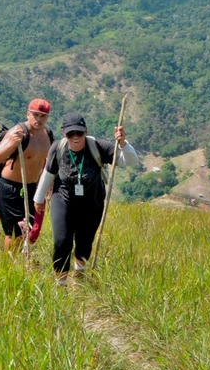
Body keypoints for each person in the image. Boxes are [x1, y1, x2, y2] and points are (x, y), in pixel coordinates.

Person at [32, 112, 140, 283]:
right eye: (70, 134)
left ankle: (79, 274)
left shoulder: (98, 146)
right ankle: (61, 284)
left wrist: (122, 143)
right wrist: (38, 198)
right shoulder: (58, 148)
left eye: (79, 133)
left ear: (86, 131)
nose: (75, 137)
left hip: (92, 202)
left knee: (84, 242)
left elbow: (130, 162)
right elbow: (49, 173)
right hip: (64, 199)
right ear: (64, 133)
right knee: (61, 241)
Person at [0, 98, 53, 253]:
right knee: (14, 233)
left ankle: (19, 261)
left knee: (27, 230)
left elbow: (48, 161)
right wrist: (12, 143)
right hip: (10, 188)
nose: (39, 119)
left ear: (47, 117)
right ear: (28, 114)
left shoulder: (47, 134)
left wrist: (48, 186)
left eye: (43, 116)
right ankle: (8, 263)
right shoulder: (17, 132)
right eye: (35, 115)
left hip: (32, 188)